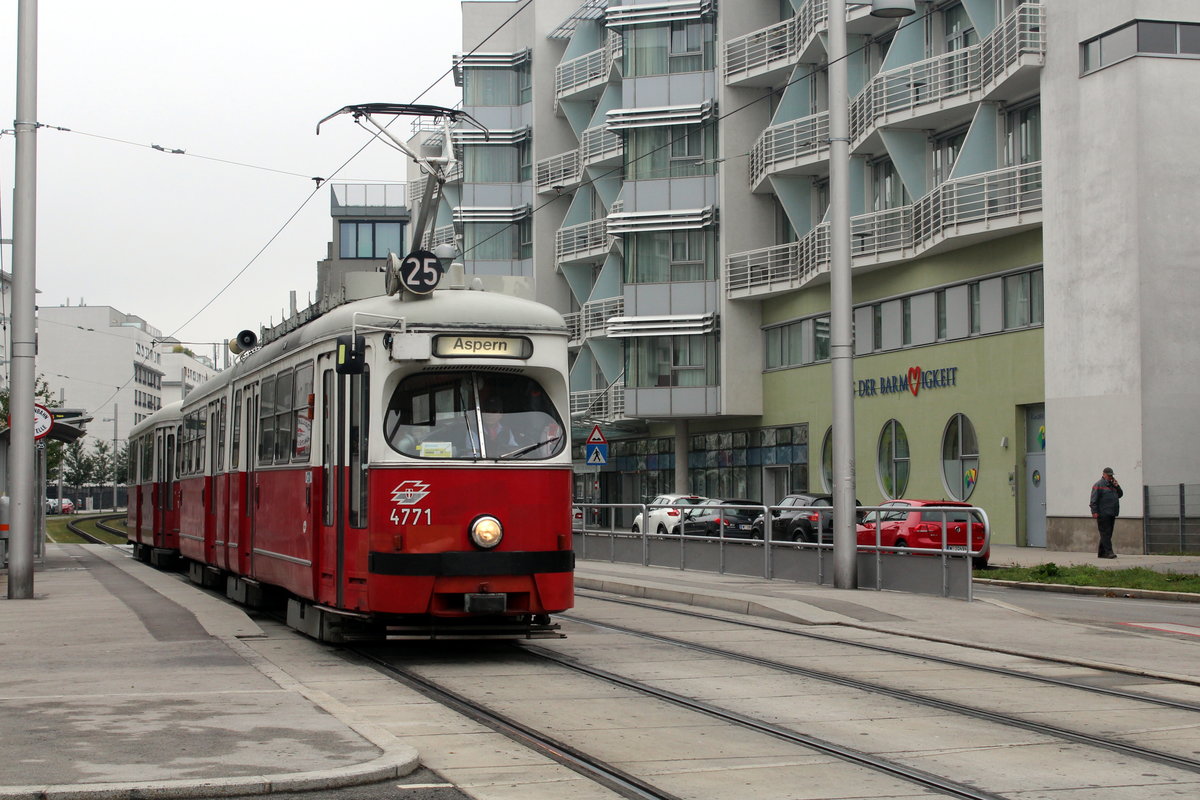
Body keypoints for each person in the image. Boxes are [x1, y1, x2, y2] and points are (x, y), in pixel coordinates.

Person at [1089, 467, 1123, 559]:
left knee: (1108, 533)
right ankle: (1109, 552)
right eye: (1109, 475)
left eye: (1111, 475)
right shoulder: (1098, 485)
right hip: (1103, 513)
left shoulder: (1112, 485)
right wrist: (1094, 512)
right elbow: (1093, 500)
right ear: (1104, 474)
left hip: (1112, 512)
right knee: (1105, 533)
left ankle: (1101, 553)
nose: (1110, 477)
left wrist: (1117, 486)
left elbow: (1120, 495)